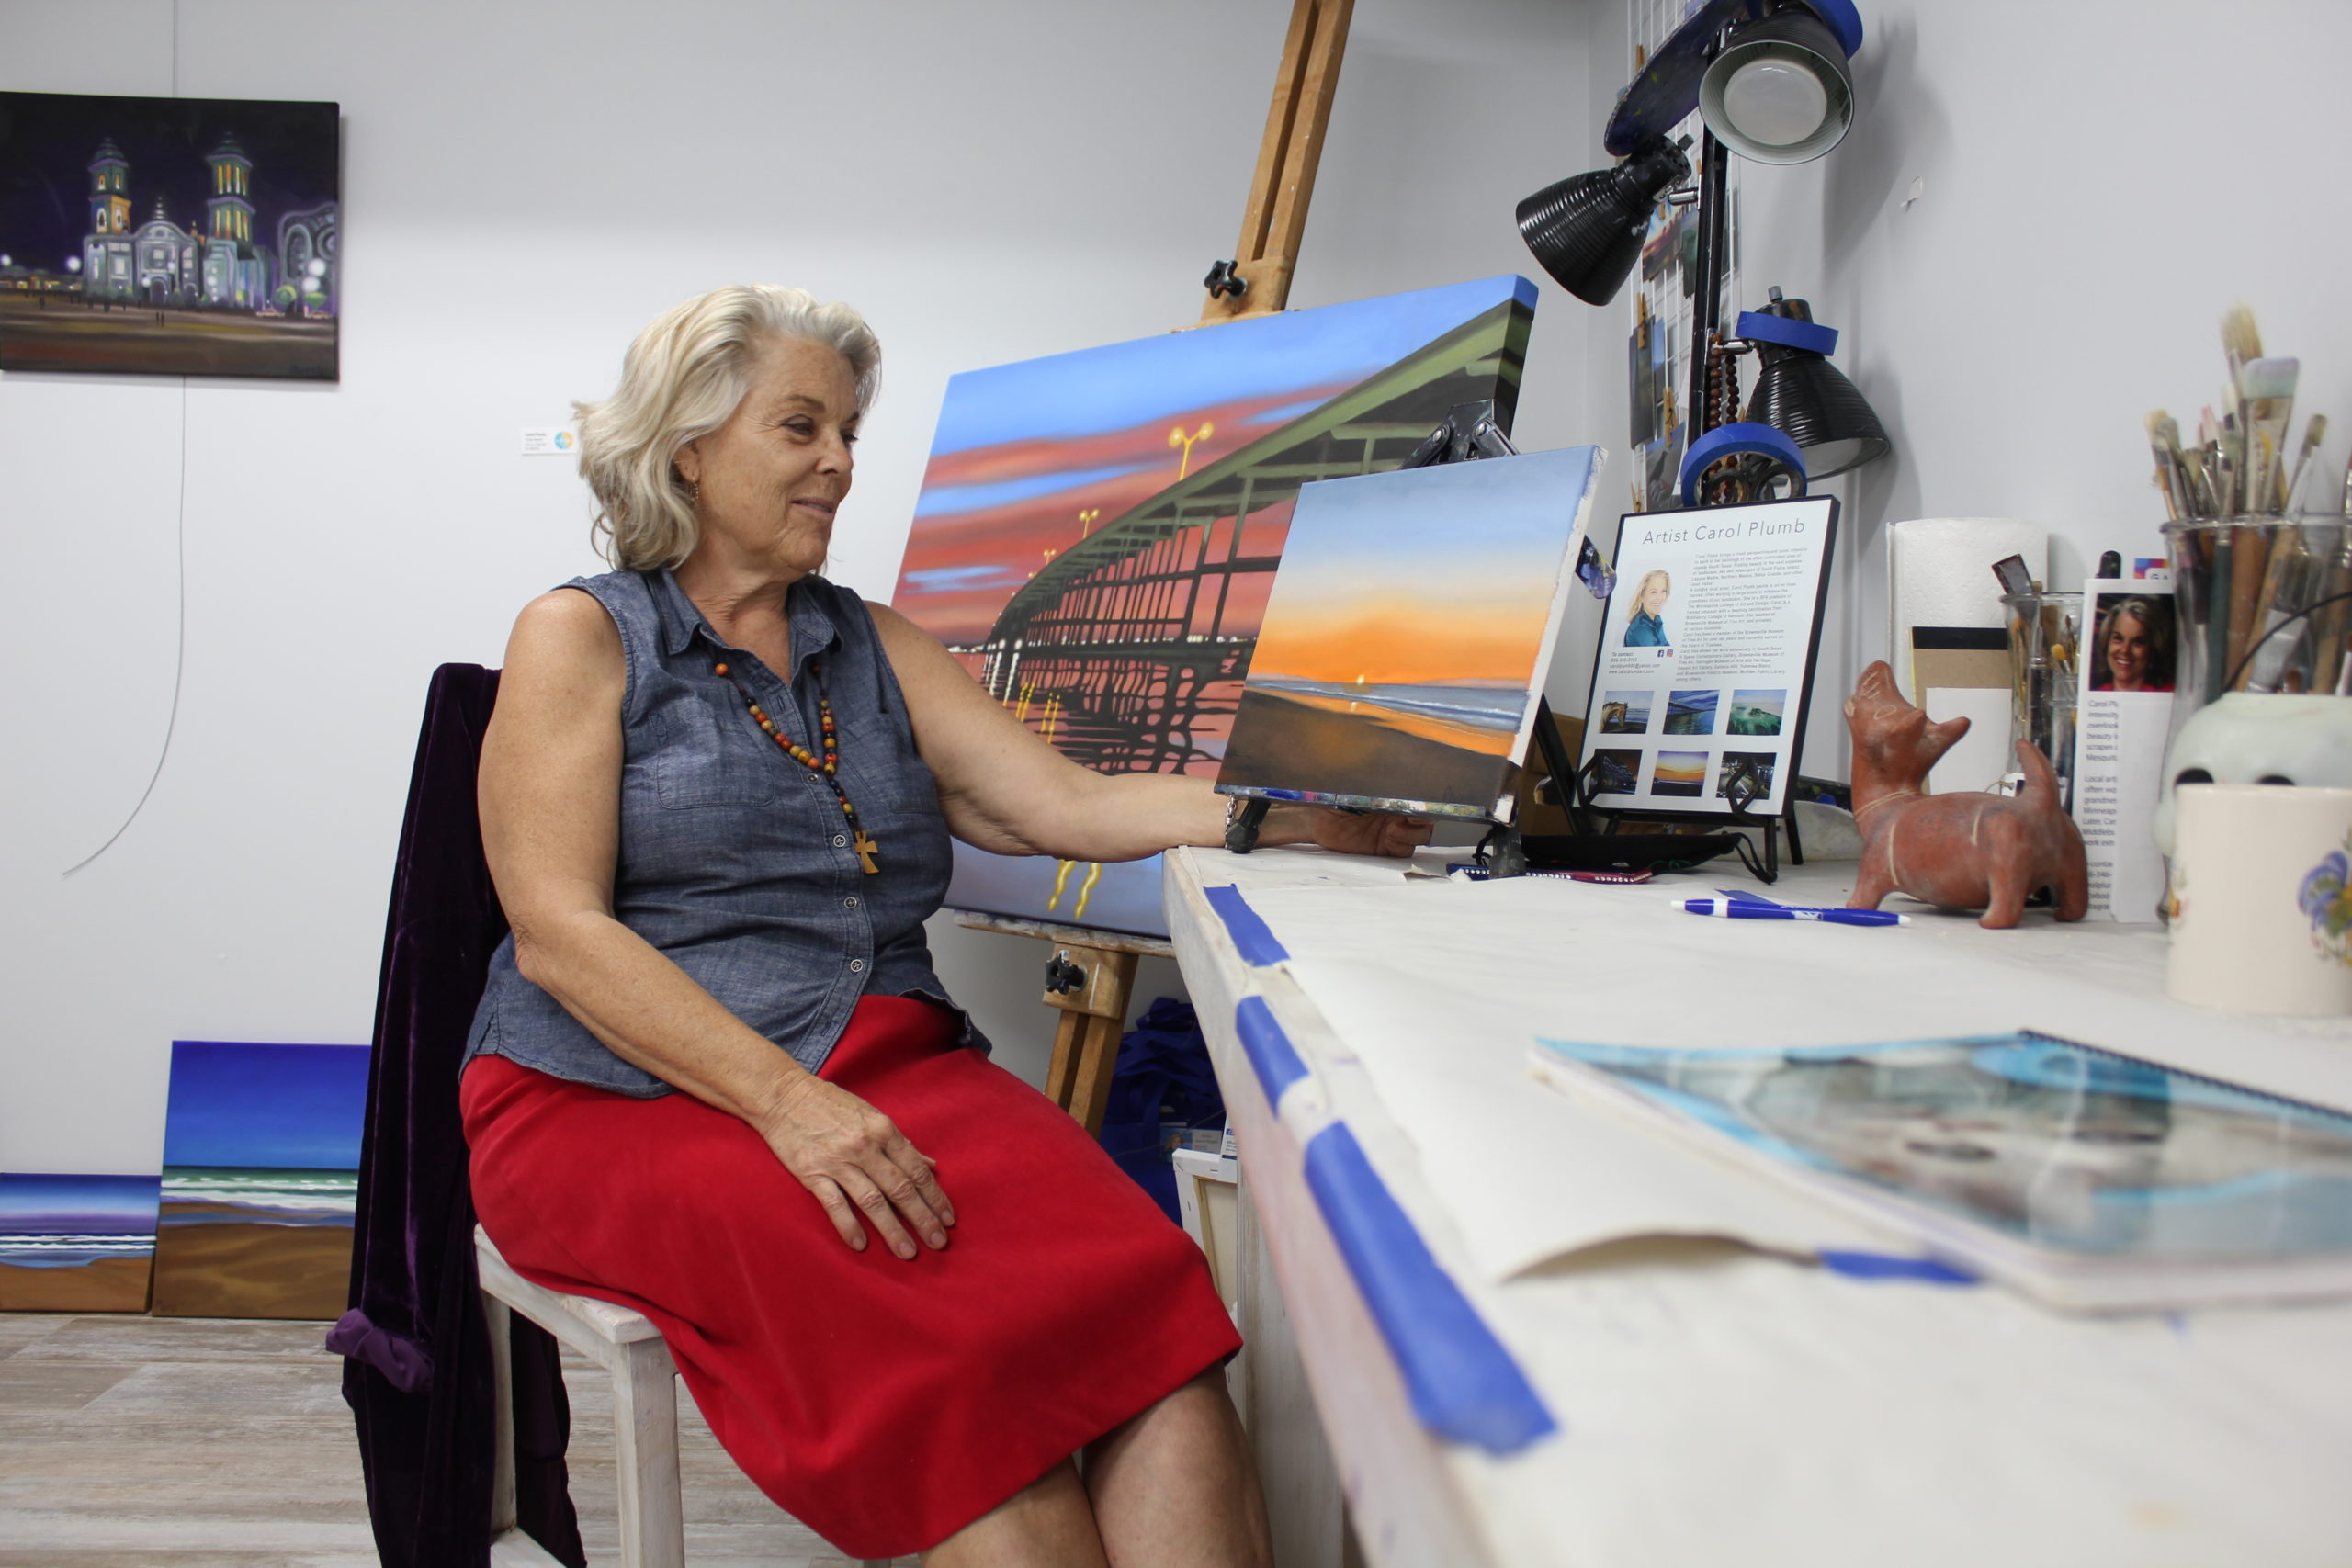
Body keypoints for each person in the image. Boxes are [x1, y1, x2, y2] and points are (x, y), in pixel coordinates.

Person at [460, 285, 1427, 1567]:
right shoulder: (581, 634)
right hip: (618, 1089)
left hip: (886, 1063)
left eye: (847, 432)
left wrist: (1298, 815)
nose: (839, 462)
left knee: (1141, 1292)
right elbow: (557, 931)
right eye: (800, 427)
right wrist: (786, 1104)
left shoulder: (872, 641)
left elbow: (1060, 805)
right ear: (686, 447)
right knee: (939, 1352)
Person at [2090, 596, 2175, 693]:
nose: (2125, 650)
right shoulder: (2097, 693)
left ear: (2153, 650)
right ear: (2106, 642)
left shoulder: (2170, 693)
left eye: (2138, 642)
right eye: (2118, 638)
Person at [1623, 568, 1671, 647]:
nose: (1659, 598)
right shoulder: (1641, 629)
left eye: (1663, 591)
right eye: (1653, 592)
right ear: (1642, 596)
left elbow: (1665, 646)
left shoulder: (1656, 619)